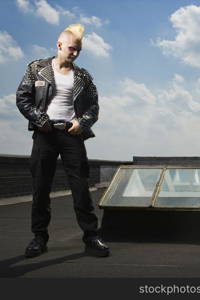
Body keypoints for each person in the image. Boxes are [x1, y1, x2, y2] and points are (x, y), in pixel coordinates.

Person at [16, 24, 109, 258]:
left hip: (72, 134)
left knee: (81, 188)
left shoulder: (83, 76)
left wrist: (83, 123)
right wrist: (40, 120)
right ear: (59, 45)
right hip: (44, 133)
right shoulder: (37, 68)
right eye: (71, 48)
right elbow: (22, 98)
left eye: (78, 50)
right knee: (41, 188)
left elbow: (94, 106)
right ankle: (39, 238)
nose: (75, 53)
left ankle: (91, 237)